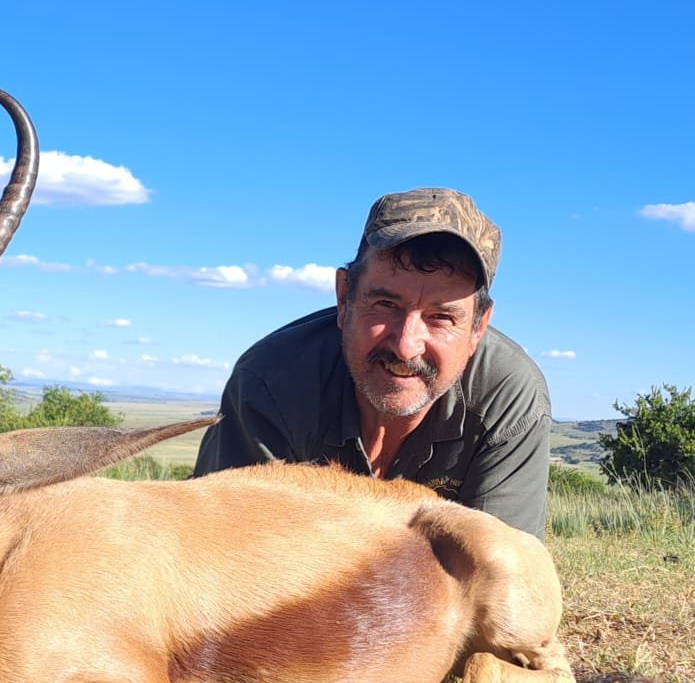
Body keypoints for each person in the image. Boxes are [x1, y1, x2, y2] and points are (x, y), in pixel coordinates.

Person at [194, 187, 551, 539]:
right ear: (344, 298)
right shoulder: (270, 382)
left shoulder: (510, 399)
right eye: (385, 305)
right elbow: (228, 553)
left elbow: (503, 572)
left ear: (478, 327)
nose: (405, 346)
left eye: (441, 317)